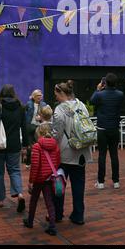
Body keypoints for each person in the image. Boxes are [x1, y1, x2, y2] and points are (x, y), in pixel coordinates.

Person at [52, 81, 92, 225]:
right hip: (81, 151)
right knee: (78, 185)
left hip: (64, 153)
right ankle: (78, 215)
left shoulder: (59, 109)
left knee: (59, 184)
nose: (55, 97)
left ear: (62, 93)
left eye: (56, 94)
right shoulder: (81, 105)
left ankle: (57, 214)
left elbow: (56, 134)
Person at [0, 84, 28, 211]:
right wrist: (26, 145)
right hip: (14, 145)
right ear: (13, 93)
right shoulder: (20, 107)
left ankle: (0, 200)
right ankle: (20, 194)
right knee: (15, 170)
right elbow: (24, 127)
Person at [23, 123, 60, 236]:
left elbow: (35, 165)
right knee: (49, 202)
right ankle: (52, 226)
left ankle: (30, 221)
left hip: (39, 179)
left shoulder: (37, 146)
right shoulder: (56, 145)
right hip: (49, 178)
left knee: (33, 200)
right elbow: (57, 162)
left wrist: (31, 180)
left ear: (39, 133)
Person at [90, 73, 124, 189]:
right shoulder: (120, 94)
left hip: (102, 128)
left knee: (102, 155)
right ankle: (116, 181)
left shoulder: (100, 95)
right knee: (114, 155)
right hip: (114, 128)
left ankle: (100, 182)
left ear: (104, 83)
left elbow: (92, 101)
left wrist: (97, 89)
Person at [24, 89, 47, 168]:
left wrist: (41, 118)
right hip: (30, 126)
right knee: (29, 146)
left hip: (39, 127)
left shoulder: (44, 104)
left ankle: (40, 162)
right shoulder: (28, 104)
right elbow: (24, 115)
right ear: (33, 97)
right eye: (38, 96)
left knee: (40, 144)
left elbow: (47, 114)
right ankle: (28, 162)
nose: (39, 97)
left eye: (40, 96)